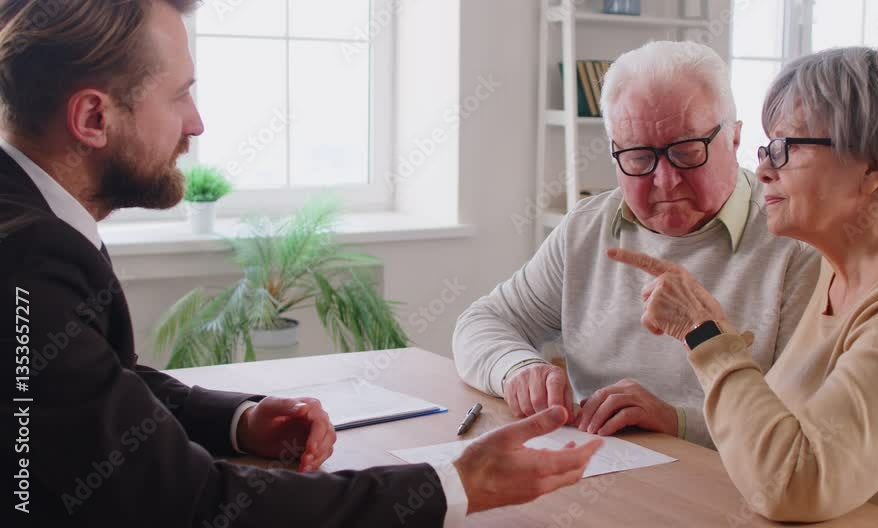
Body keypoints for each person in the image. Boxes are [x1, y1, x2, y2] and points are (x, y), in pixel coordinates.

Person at [0, 1, 600, 526]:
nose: (197, 122)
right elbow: (193, 504)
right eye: (180, 94)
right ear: (92, 119)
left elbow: (106, 384)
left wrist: (240, 419)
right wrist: (456, 485)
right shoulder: (29, 260)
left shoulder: (32, 217)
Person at [609, 47, 878, 526]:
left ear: (874, 165)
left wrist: (704, 333)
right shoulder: (842, 262)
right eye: (767, 147)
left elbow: (794, 485)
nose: (765, 169)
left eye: (787, 147)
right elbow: (781, 432)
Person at [453, 41, 819, 448]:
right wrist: (518, 369)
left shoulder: (797, 243)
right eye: (639, 158)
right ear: (613, 153)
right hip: (601, 472)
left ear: (734, 139)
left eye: (686, 152)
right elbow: (483, 322)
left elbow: (800, 427)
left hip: (728, 491)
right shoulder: (587, 227)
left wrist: (674, 420)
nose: (665, 180)